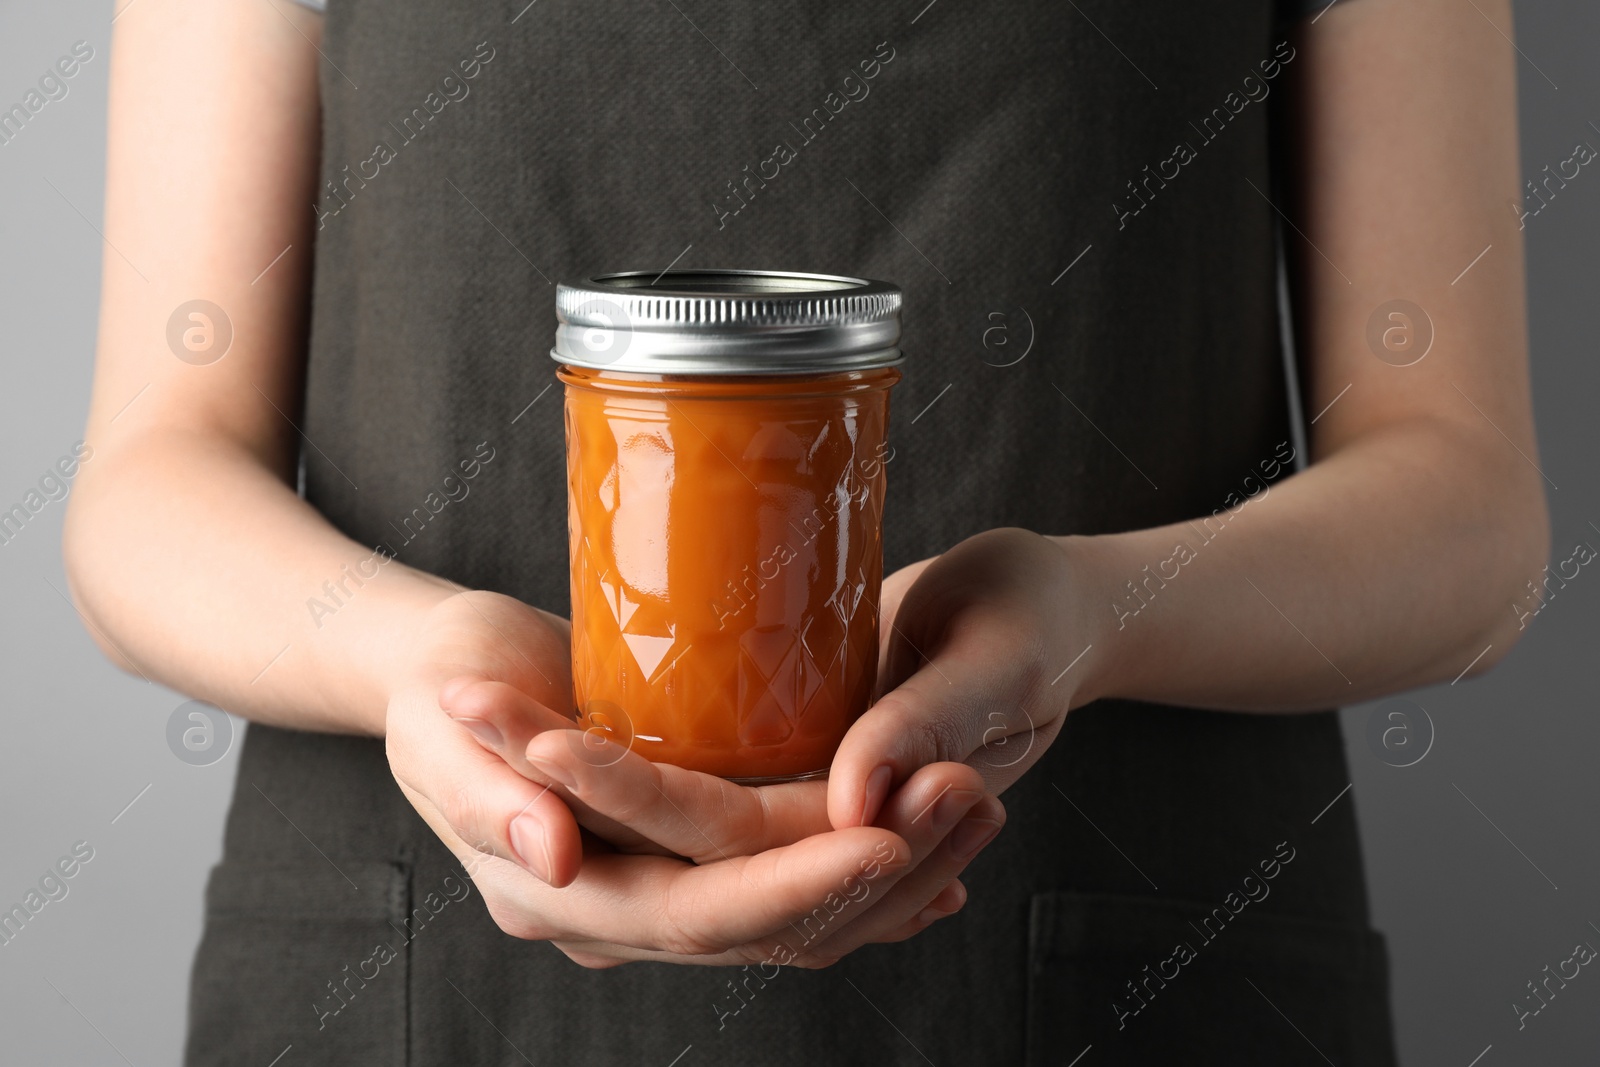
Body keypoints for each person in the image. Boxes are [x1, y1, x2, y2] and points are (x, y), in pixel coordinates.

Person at [65, 0, 1546, 1062]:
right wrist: (426, 667)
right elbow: (150, 486)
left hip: (1126, 962)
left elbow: (1468, 517)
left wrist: (1092, 613)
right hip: (412, 983)